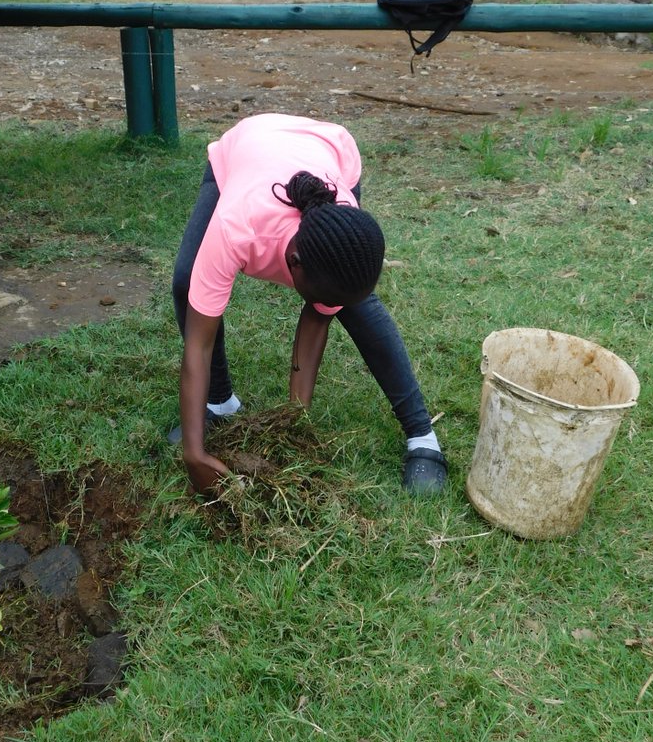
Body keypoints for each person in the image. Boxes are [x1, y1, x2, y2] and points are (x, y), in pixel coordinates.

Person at [170, 113, 447, 496]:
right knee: (188, 283)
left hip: (329, 150)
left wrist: (290, 427)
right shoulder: (238, 227)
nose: (325, 307)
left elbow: (318, 316)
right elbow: (198, 344)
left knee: (356, 301)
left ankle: (422, 436)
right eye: (319, 298)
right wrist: (194, 454)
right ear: (294, 266)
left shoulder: (341, 216)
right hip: (245, 151)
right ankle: (219, 402)